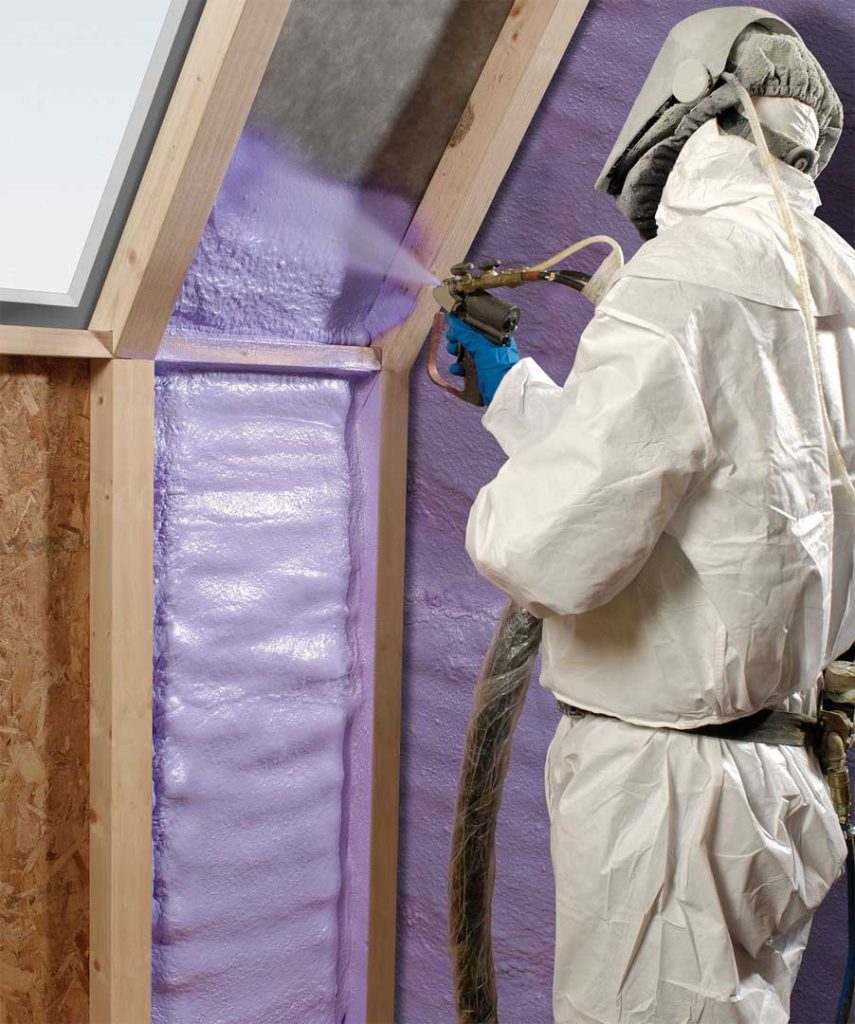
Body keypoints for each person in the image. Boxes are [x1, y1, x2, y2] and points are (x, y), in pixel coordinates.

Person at [449, 8, 855, 1022]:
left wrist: (508, 498)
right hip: (783, 781)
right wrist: (517, 398)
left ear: (676, 121)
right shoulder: (840, 282)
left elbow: (550, 549)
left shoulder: (678, 285)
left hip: (669, 797)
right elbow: (721, 499)